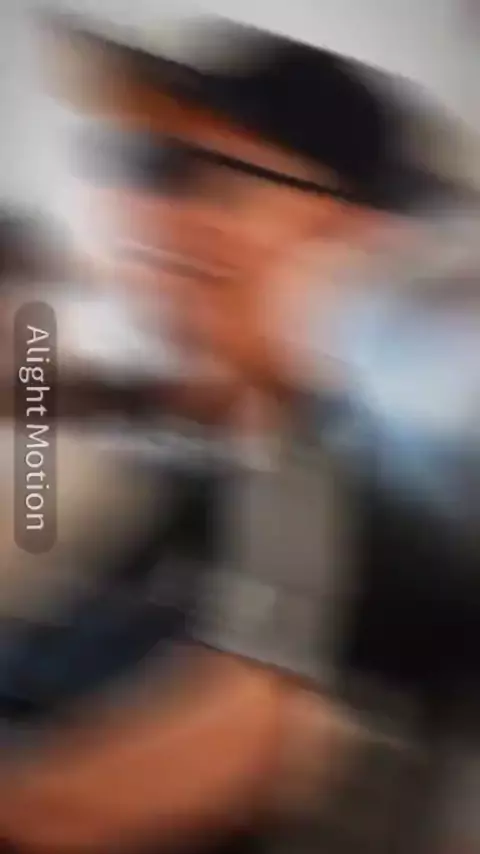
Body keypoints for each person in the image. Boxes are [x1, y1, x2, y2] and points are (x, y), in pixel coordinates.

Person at [1, 13, 477, 853]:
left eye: (204, 177)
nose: (146, 214)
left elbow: (107, 800)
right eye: (137, 166)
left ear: (363, 229)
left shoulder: (376, 481)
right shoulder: (205, 461)